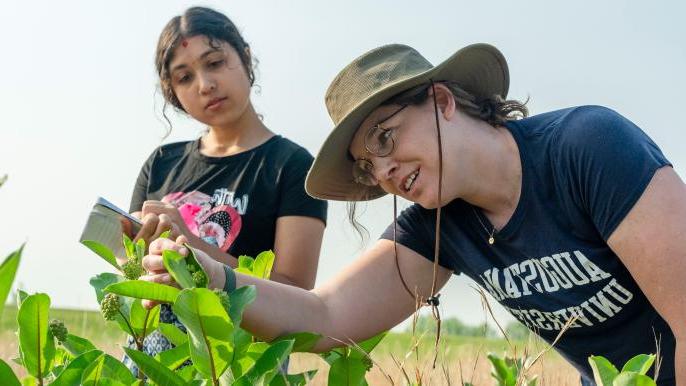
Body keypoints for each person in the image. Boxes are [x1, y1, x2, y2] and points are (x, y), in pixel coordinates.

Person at [141, 43, 684, 385]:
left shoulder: (585, 147)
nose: (384, 171)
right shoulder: (438, 222)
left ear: (443, 101)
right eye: (366, 166)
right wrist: (212, 275)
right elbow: (326, 317)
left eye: (386, 137)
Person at [123, 6, 327, 370]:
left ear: (245, 58)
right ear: (174, 94)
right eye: (184, 77)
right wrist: (134, 253)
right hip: (153, 356)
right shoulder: (161, 163)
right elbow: (129, 269)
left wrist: (190, 246)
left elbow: (295, 292)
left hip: (241, 361)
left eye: (214, 63)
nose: (205, 85)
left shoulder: (292, 166)